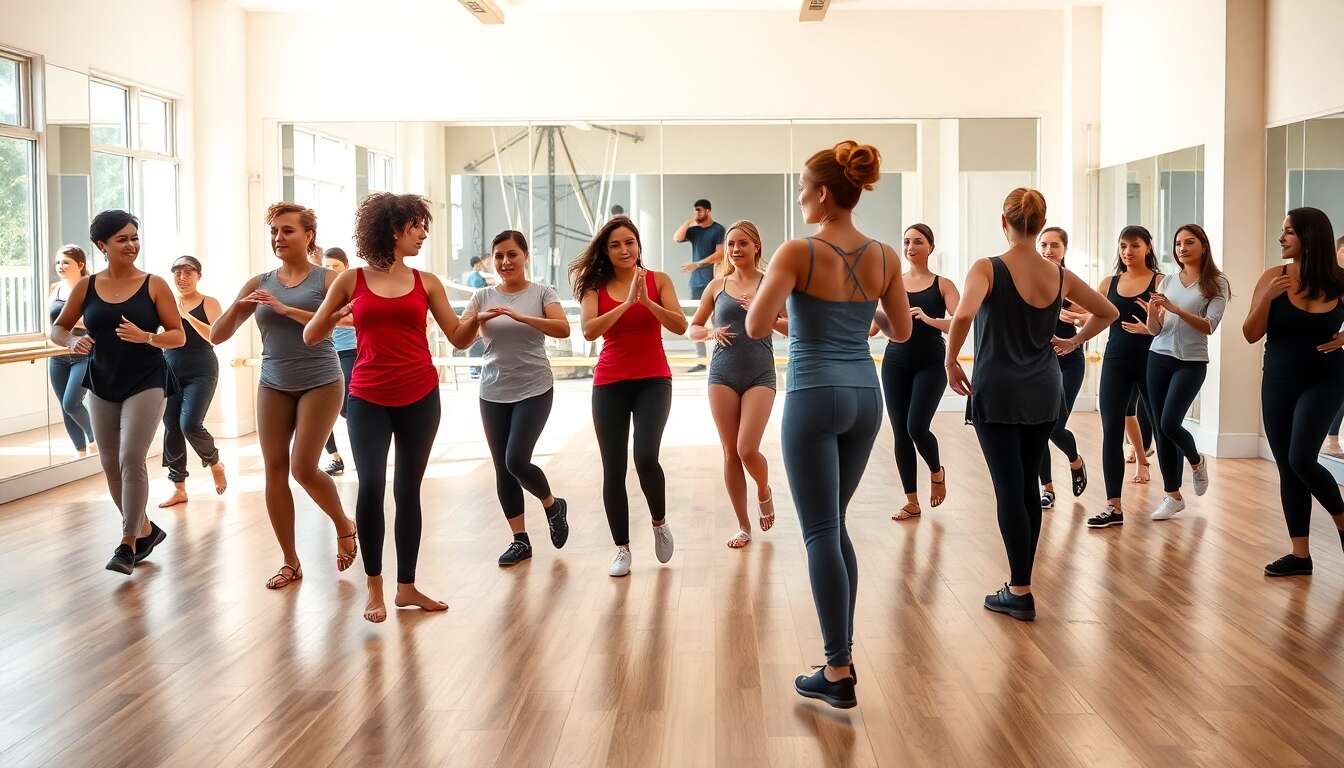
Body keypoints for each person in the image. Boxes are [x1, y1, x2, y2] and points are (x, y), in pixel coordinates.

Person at [746, 140, 910, 710]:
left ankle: (838, 669)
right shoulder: (886, 255)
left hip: (814, 394)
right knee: (834, 524)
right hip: (866, 396)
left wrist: (799, 310)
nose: (799, 197)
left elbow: (755, 323)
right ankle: (838, 658)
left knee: (819, 531)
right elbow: (904, 331)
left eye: (801, 187)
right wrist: (867, 315)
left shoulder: (797, 251)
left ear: (821, 193)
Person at [947, 189, 1116, 622]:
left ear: (1003, 220)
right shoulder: (1059, 275)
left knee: (1009, 487)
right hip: (1044, 388)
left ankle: (1019, 591)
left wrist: (951, 361)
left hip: (999, 389)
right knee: (1025, 486)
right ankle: (1021, 584)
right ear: (1040, 225)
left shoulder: (988, 267)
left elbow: (964, 314)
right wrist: (1074, 340)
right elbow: (1108, 312)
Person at [307, 192, 462, 622]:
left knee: (407, 490)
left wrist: (481, 320)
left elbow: (458, 337)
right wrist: (341, 310)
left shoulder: (427, 281)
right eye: (417, 226)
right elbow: (312, 335)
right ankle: (374, 587)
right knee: (372, 486)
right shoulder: (350, 280)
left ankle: (407, 587)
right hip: (368, 397)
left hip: (420, 397)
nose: (423, 234)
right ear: (394, 229)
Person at [211, 202, 358, 590]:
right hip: (273, 382)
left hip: (321, 381)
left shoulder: (327, 281)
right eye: (274, 231)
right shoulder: (260, 281)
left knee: (303, 467)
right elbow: (217, 335)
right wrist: (239, 306)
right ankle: (290, 562)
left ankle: (344, 524)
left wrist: (283, 307)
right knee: (274, 469)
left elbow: (334, 326)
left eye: (288, 230)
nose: (279, 237)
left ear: (308, 235)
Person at [50, 210, 186, 574]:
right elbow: (58, 329)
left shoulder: (154, 284)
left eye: (135, 237)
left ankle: (127, 543)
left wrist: (148, 337)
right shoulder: (87, 285)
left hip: (147, 378)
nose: (132, 245)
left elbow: (178, 334)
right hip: (102, 379)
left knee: (130, 457)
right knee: (109, 463)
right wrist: (72, 341)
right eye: (122, 239)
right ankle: (144, 530)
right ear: (102, 245)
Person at [571, 215, 688, 577]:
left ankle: (659, 522)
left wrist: (646, 302)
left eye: (630, 242)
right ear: (606, 251)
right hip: (610, 382)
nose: (625, 249)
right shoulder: (595, 286)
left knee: (646, 456)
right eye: (616, 244)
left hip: (654, 379)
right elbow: (589, 331)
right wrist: (625, 305)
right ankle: (622, 548)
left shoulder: (659, 280)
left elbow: (680, 326)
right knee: (614, 468)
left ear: (639, 245)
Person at [457, 230, 572, 566]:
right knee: (502, 469)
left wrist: (522, 317)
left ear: (524, 256)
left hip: (534, 387)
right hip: (493, 391)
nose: (505, 262)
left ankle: (552, 504)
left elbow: (563, 328)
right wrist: (476, 319)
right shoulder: (481, 296)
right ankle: (520, 540)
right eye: (499, 256)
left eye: (512, 254)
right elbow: (461, 340)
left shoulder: (542, 292)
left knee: (516, 460)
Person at [1244, 207, 1344, 577]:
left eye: (1288, 232)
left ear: (1309, 236)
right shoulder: (1274, 277)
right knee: (1288, 465)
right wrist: (1267, 299)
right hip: (1280, 379)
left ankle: (1342, 521)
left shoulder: (1340, 280)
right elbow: (1250, 333)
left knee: (1302, 458)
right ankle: (1300, 555)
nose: (1281, 238)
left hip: (1327, 377)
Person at [687, 219, 787, 548]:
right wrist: (709, 332)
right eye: (731, 244)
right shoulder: (717, 286)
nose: (735, 249)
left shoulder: (772, 283)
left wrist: (767, 315)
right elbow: (693, 328)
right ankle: (744, 525)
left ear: (756, 246)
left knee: (747, 448)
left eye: (742, 243)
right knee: (730, 452)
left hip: (760, 372)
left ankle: (764, 489)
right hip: (722, 373)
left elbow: (793, 327)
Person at [1140, 224, 1229, 520]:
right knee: (1160, 429)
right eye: (1178, 243)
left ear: (1203, 245)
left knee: (1169, 423)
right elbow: (1155, 331)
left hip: (1191, 362)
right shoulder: (1167, 281)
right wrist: (1153, 313)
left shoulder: (1216, 283)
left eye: (1189, 242)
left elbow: (1210, 326)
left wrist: (1176, 310)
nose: (1182, 248)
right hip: (1158, 358)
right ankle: (1172, 496)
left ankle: (1196, 460)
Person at [874, 223, 958, 521]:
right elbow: (873, 330)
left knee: (916, 427)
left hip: (931, 363)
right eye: (907, 241)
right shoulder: (892, 283)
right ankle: (911, 501)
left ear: (930, 247)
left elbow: (960, 323)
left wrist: (927, 318)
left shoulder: (943, 285)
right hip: (895, 362)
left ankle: (937, 472)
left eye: (918, 242)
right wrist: (872, 306)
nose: (910, 247)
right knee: (900, 432)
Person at [1088, 226, 1162, 528]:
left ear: (1147, 247)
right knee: (1111, 431)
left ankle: (1174, 490)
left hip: (1151, 361)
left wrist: (1151, 326)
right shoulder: (1109, 283)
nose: (1127, 252)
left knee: (1163, 425)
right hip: (1116, 362)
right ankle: (1113, 507)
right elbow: (1095, 316)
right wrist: (1074, 340)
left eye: (1134, 246)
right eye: (1122, 246)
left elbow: (1167, 325)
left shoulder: (1160, 282)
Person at [158, 255, 227, 507]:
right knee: (171, 427)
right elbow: (158, 336)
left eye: (188, 272)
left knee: (189, 424)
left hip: (202, 369)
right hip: (169, 369)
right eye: (177, 272)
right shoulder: (164, 303)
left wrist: (186, 316)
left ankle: (214, 462)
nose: (182, 277)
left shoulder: (209, 303)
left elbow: (214, 337)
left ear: (199, 275)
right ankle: (179, 488)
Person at [1035, 227, 1088, 509]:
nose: (1048, 251)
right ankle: (1048, 489)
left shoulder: (1069, 283)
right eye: (1043, 245)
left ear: (1065, 249)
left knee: (1055, 427)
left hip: (1069, 364)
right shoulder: (1033, 283)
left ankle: (1075, 460)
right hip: (1040, 365)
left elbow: (1094, 314)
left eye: (1054, 245)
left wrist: (1069, 317)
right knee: (1039, 426)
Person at [46, 244, 96, 456]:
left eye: (66, 262)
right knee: (64, 406)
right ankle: (80, 453)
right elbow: (51, 323)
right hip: (57, 355)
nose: (60, 266)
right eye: (58, 262)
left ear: (80, 264)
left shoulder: (91, 288)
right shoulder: (54, 288)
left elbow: (97, 321)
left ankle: (95, 438)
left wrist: (72, 325)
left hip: (83, 354)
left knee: (71, 403)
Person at [674, 199, 725, 372]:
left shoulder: (718, 229)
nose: (697, 213)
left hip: (713, 279)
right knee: (698, 320)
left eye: (699, 211)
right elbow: (677, 237)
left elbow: (719, 254)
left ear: (708, 211)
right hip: (696, 282)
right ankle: (701, 361)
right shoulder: (694, 230)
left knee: (718, 318)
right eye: (694, 210)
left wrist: (697, 264)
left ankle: (721, 356)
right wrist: (689, 221)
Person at [320, 247, 357, 476]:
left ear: (346, 268)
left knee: (346, 408)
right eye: (327, 267)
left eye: (336, 266)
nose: (331, 271)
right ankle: (334, 457)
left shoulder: (351, 290)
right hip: (322, 352)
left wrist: (327, 318)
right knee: (320, 411)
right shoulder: (318, 291)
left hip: (348, 352)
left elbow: (357, 319)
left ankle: (365, 453)